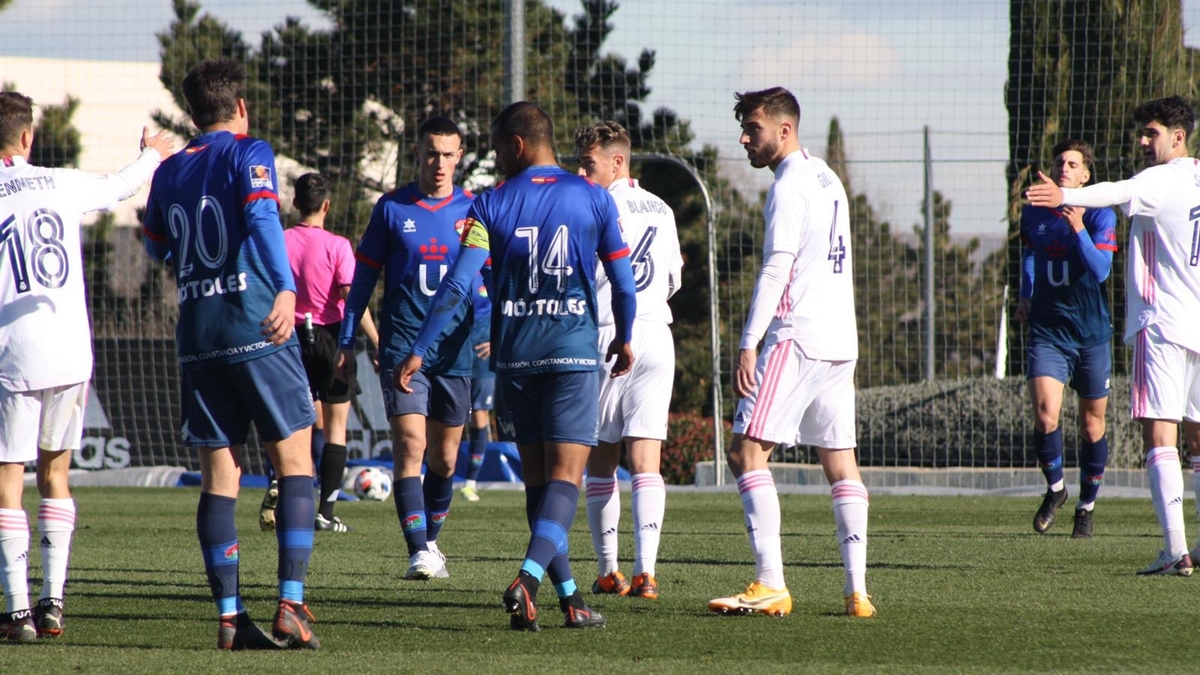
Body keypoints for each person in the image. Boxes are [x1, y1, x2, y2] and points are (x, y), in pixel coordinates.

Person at [395, 101, 638, 631]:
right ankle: (526, 581)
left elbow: (458, 285)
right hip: (572, 356)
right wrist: (624, 337)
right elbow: (622, 283)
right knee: (565, 481)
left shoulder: (487, 206)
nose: (495, 156)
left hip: (516, 363)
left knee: (537, 485)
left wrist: (419, 348)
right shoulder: (595, 200)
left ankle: (570, 598)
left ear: (518, 145)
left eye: (498, 145)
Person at [142, 57, 320, 650]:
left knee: (220, 477)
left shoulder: (168, 172)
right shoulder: (251, 152)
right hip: (257, 325)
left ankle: (228, 617)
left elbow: (156, 249)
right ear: (240, 109)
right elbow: (263, 215)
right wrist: (286, 284)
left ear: (192, 114)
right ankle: (290, 605)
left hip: (197, 335)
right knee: (295, 462)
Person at [0, 92, 172, 641]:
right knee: (56, 476)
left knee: (8, 483)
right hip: (71, 351)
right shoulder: (59, 181)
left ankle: (17, 611)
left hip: (13, 355)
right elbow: (122, 185)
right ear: (28, 137)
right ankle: (53, 604)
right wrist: (150, 154)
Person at [708, 87, 873, 619]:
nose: (744, 140)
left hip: (797, 335)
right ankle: (857, 593)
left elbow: (777, 268)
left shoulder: (789, 185)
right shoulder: (827, 176)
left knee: (745, 452)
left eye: (752, 129)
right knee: (840, 462)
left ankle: (771, 583)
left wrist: (749, 342)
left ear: (783, 130)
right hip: (839, 339)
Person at [1027, 95, 1200, 576]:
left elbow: (1114, 191)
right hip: (1198, 323)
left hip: (1161, 324)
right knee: (1199, 440)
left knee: (1160, 436)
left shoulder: (1160, 179)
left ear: (1178, 136)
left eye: (1152, 133)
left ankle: (1174, 550)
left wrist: (1065, 197)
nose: (1143, 142)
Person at [337, 116, 475, 580]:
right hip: (401, 347)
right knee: (410, 446)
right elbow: (363, 281)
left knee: (446, 457)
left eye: (447, 154)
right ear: (417, 153)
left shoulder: (475, 212)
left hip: (455, 351)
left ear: (459, 157)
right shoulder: (392, 208)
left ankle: (432, 540)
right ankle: (418, 549)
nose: (439, 163)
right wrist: (346, 336)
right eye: (431, 152)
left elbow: (489, 280)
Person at [575, 120, 683, 600]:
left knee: (600, 459)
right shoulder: (662, 207)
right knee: (646, 462)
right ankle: (646, 573)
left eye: (589, 162)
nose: (581, 171)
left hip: (609, 333)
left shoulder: (593, 203)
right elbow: (675, 279)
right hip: (658, 334)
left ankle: (607, 571)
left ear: (617, 161)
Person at [1015, 139, 1118, 539]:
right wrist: (1026, 293)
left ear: (1085, 175)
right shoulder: (1034, 214)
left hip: (1091, 335)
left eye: (1073, 164)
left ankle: (1086, 508)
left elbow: (1101, 270)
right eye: (1059, 161)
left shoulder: (1099, 214)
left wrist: (1077, 225)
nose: (1064, 168)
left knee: (1093, 425)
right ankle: (1055, 489)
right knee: (1045, 413)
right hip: (1048, 331)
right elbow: (1030, 252)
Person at [280, 172, 379, 533]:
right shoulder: (338, 246)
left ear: (295, 205)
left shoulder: (279, 240)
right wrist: (377, 341)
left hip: (288, 337)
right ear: (327, 205)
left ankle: (287, 496)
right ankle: (326, 511)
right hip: (331, 338)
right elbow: (353, 298)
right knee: (336, 428)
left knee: (292, 426)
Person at [461, 274, 494, 503]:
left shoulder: (494, 267)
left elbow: (509, 307)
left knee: (480, 415)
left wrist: (498, 341)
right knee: (442, 414)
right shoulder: (457, 264)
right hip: (456, 352)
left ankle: (470, 483)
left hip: (483, 355)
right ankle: (429, 473)